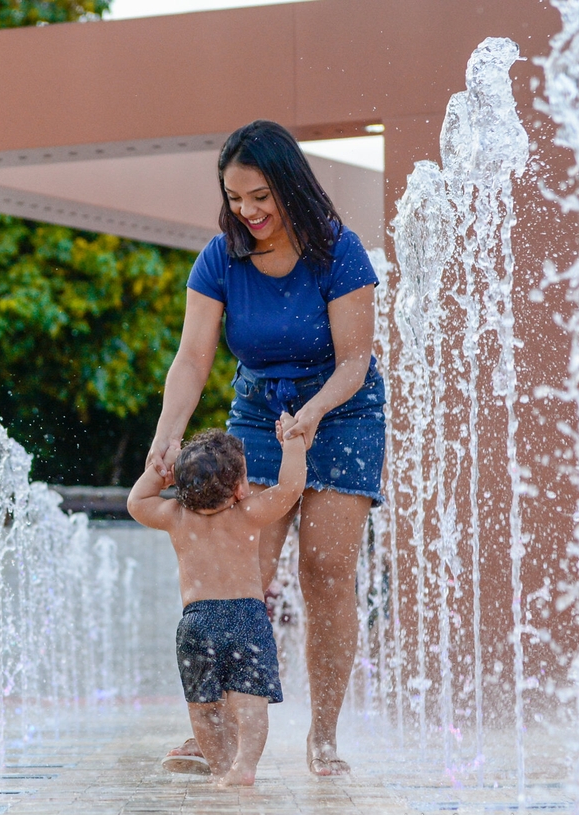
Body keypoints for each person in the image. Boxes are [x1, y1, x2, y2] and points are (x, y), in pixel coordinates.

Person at [146, 120, 386, 777]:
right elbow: (193, 358)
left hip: (342, 411)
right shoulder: (220, 258)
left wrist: (309, 415)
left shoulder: (340, 251)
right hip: (258, 412)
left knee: (326, 569)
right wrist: (168, 435)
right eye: (234, 198)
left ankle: (324, 736)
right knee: (237, 569)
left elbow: (355, 361)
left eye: (259, 196)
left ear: (288, 185)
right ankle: (212, 726)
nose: (247, 211)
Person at [129, 421, 305, 785]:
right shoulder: (247, 514)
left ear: (180, 484)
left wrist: (158, 475)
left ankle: (221, 767)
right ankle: (245, 765)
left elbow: (136, 503)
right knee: (249, 702)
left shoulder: (176, 516)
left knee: (202, 705)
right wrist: (292, 445)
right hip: (246, 617)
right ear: (239, 488)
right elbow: (291, 488)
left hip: (198, 622)